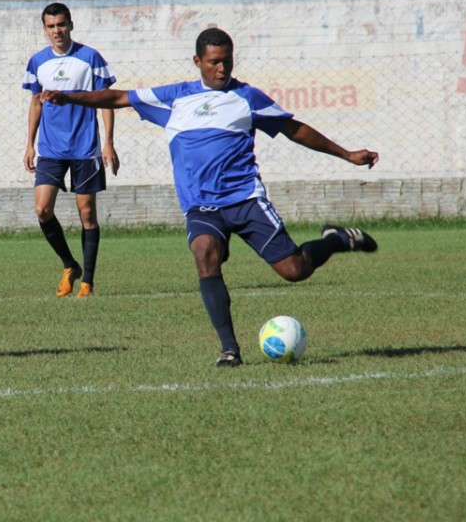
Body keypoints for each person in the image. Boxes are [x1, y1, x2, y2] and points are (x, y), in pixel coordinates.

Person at [41, 27, 379, 367]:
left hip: (245, 200)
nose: (222, 69)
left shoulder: (247, 97)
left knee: (294, 270)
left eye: (227, 62)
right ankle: (229, 349)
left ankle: (336, 240)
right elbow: (117, 97)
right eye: (215, 62)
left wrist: (347, 154)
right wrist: (70, 97)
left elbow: (295, 129)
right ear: (198, 61)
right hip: (202, 206)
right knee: (205, 252)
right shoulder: (175, 97)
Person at [22, 2, 119, 298]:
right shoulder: (38, 62)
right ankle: (69, 265)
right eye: (51, 26)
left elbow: (106, 100)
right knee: (42, 209)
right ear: (44, 29)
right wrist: (29, 143)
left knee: (87, 215)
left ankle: (87, 282)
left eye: (61, 24)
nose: (57, 31)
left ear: (71, 25)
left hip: (85, 148)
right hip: (51, 149)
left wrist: (109, 142)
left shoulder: (90, 58)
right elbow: (36, 102)